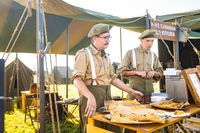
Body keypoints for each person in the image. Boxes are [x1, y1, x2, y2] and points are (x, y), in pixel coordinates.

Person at [72, 23, 143, 132]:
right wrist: (90, 97)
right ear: (94, 38)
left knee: (111, 128)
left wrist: (132, 91)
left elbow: (113, 79)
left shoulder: (106, 57)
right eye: (105, 37)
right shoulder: (84, 54)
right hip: (90, 98)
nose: (108, 40)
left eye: (109, 37)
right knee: (93, 129)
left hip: (107, 98)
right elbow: (77, 80)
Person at [117, 29, 163, 104]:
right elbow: (120, 71)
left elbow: (160, 72)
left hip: (149, 96)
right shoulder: (131, 53)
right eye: (147, 41)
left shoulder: (153, 55)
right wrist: (136, 72)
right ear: (141, 40)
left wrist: (154, 73)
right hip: (134, 95)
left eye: (152, 41)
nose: (150, 43)